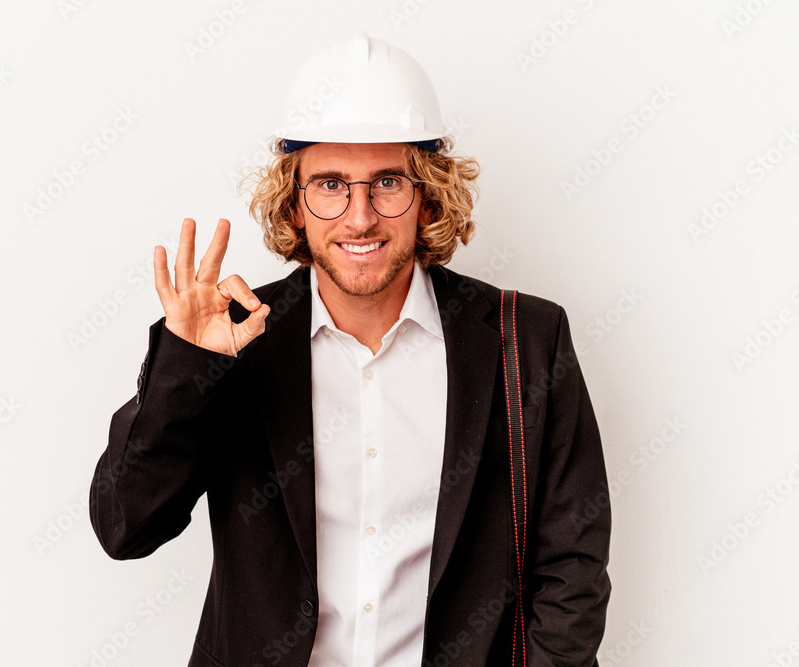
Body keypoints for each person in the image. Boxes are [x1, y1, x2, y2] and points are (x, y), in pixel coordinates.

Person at [90, 34, 610, 666]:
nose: (360, 217)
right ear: (295, 200)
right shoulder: (235, 339)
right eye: (330, 184)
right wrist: (186, 368)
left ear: (428, 193)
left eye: (387, 182)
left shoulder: (524, 338)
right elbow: (124, 527)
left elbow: (571, 567)